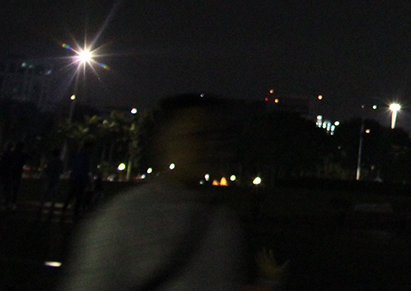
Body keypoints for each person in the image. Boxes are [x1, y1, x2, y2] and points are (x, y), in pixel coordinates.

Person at [59, 95, 252, 291]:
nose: (209, 147)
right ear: (166, 141)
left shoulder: (222, 223)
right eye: (197, 135)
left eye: (217, 137)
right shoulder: (124, 219)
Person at [0, 142, 24, 210]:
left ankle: (7, 202)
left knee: (8, 189)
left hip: (8, 174)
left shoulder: (8, 154)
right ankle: (11, 203)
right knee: (13, 189)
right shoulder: (18, 155)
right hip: (14, 174)